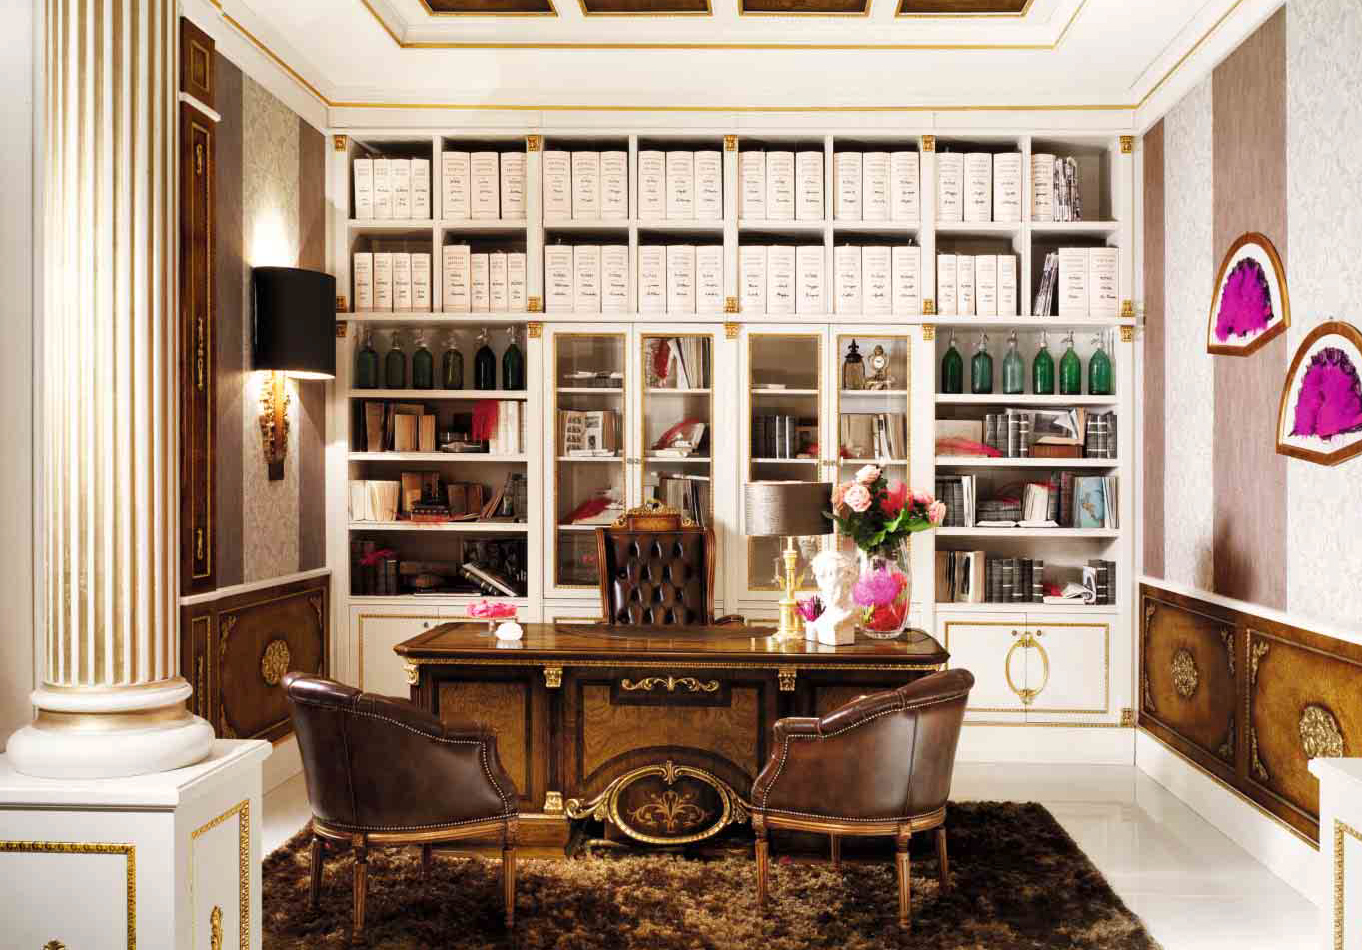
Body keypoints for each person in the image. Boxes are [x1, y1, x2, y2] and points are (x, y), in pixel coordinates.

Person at [810, 550, 858, 645]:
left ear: (848, 579)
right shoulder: (821, 615)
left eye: (831, 574)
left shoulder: (852, 611)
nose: (828, 583)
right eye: (822, 576)